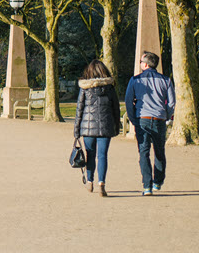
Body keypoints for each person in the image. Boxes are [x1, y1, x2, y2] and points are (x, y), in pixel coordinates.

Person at [125, 51, 176, 196]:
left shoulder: (135, 80)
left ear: (145, 64)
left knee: (144, 152)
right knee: (159, 152)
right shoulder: (166, 80)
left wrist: (132, 118)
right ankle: (158, 182)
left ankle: (146, 185)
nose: (140, 63)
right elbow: (171, 102)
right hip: (159, 119)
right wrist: (165, 115)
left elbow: (129, 101)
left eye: (141, 61)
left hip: (142, 118)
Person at [73, 59, 122, 197]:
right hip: (105, 126)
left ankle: (90, 181)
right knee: (102, 156)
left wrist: (76, 130)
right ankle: (102, 183)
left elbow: (79, 110)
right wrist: (116, 126)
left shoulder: (85, 89)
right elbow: (116, 109)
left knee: (90, 155)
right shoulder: (110, 88)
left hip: (88, 128)